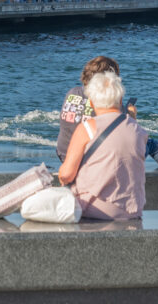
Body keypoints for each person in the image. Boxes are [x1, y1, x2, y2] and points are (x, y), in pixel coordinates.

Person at [56, 56, 158, 167]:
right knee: (135, 139)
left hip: (64, 156)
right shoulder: (104, 100)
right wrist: (131, 115)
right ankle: (155, 148)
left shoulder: (72, 92)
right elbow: (126, 133)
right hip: (91, 161)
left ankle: (157, 147)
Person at [58, 71, 147, 220]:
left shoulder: (87, 128)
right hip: (133, 209)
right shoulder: (138, 129)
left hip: (93, 209)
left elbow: (66, 175)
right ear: (120, 100)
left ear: (92, 102)